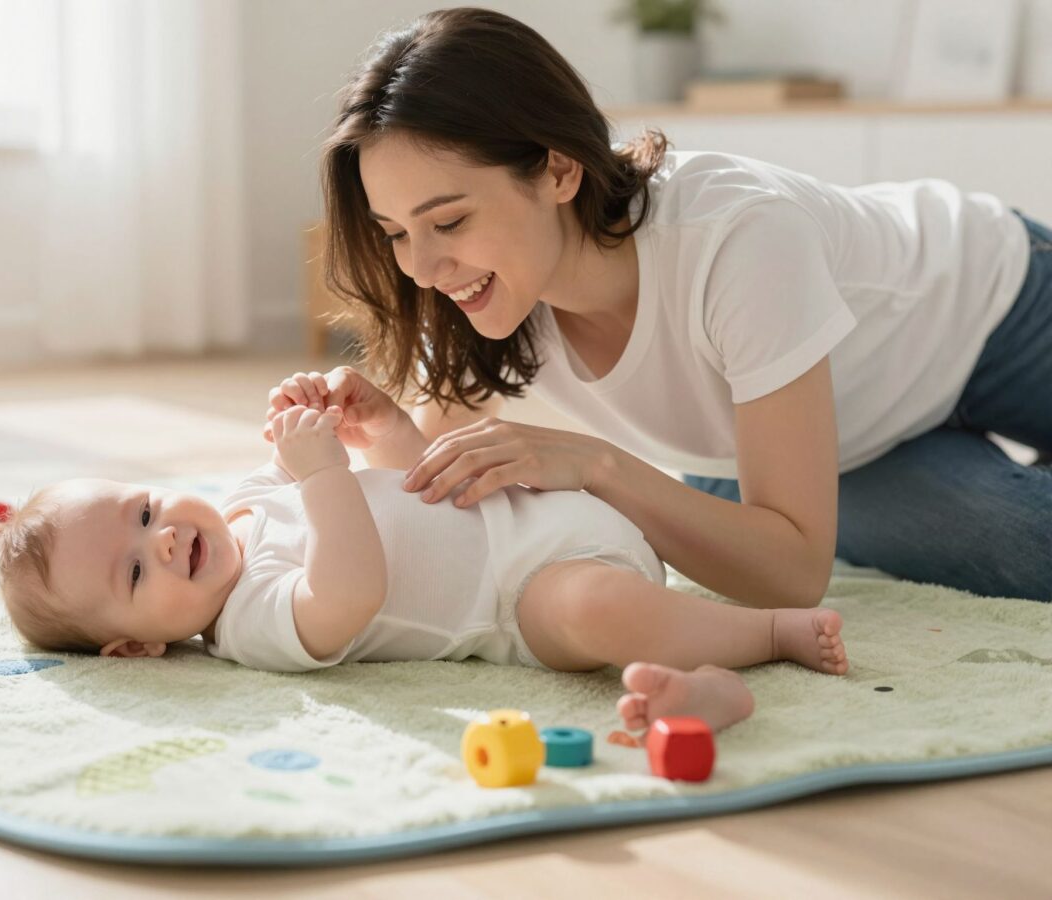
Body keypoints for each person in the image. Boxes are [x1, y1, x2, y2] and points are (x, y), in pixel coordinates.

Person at [310, 7, 1052, 605]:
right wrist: (386, 430)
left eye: (448, 222)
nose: (424, 266)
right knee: (1029, 550)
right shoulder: (483, 285)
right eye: (396, 233)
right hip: (853, 439)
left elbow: (791, 575)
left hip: (993, 307)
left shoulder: (738, 237)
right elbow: (438, 490)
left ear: (559, 170)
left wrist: (598, 465)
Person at [0, 392, 849, 738]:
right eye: (135, 574)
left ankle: (700, 632)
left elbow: (400, 485)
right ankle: (755, 642)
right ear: (135, 648)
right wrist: (323, 471)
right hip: (524, 600)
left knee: (463, 429)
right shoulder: (247, 624)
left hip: (535, 502)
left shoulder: (246, 497)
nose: (165, 540)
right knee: (596, 614)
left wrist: (361, 425)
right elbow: (352, 591)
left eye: (145, 512)